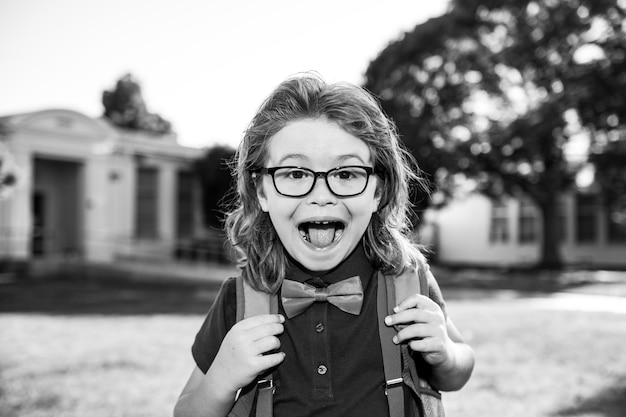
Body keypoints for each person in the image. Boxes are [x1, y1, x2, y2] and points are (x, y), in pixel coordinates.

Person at [174, 73, 474, 417]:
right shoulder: (240, 300)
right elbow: (186, 411)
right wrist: (223, 376)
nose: (321, 196)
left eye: (346, 174)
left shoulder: (407, 282)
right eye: (295, 174)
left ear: (377, 191)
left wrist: (446, 354)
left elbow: (459, 369)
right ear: (261, 191)